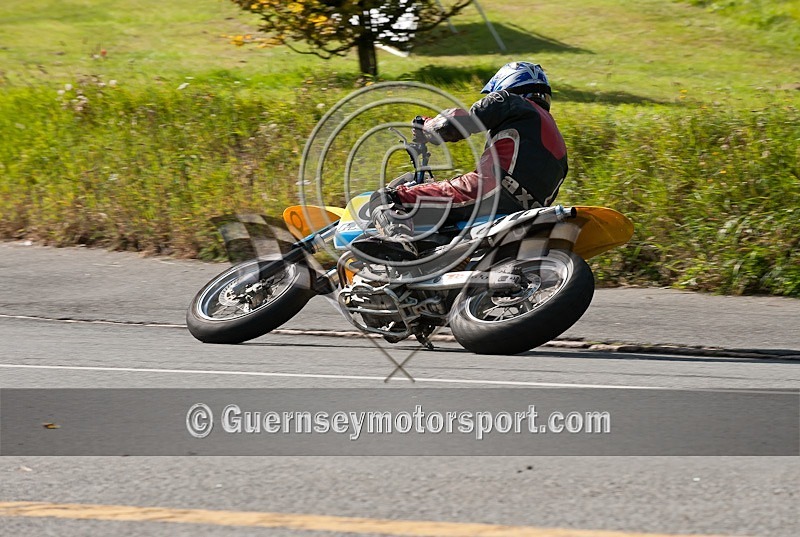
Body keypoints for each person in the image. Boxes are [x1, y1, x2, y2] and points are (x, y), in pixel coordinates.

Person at [355, 61, 568, 261]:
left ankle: (399, 241)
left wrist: (426, 125)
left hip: (488, 189)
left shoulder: (509, 101)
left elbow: (453, 124)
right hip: (526, 211)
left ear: (508, 83)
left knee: (387, 197)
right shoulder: (557, 140)